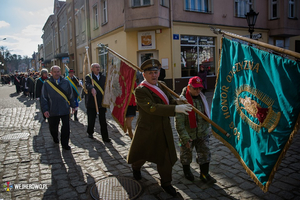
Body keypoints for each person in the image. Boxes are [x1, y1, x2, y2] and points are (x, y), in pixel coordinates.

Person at [127, 59, 192, 197]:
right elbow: (152, 108)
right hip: (147, 129)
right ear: (144, 75)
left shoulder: (162, 85)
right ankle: (136, 167)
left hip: (163, 127)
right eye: (150, 73)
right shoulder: (140, 90)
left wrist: (178, 102)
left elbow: (169, 100)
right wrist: (176, 108)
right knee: (142, 153)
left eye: (155, 72)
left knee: (166, 156)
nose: (154, 75)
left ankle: (166, 183)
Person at [175, 76, 216, 184]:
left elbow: (206, 115)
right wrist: (185, 138)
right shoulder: (181, 101)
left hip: (202, 133)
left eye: (200, 88)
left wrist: (207, 130)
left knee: (205, 153)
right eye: (195, 88)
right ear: (189, 87)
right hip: (188, 134)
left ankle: (204, 174)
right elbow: (179, 123)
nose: (198, 91)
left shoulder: (202, 97)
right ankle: (187, 171)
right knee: (186, 154)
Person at [41, 66, 76, 150]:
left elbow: (70, 95)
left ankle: (65, 144)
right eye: (55, 72)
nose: (56, 73)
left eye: (58, 71)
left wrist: (73, 106)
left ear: (60, 72)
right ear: (51, 73)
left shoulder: (66, 82)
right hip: (52, 109)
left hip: (64, 108)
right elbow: (44, 97)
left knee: (66, 127)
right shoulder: (47, 84)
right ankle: (55, 137)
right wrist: (45, 110)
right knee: (53, 128)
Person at [85, 63, 110, 143]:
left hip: (101, 102)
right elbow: (87, 84)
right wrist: (91, 88)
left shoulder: (103, 77)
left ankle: (105, 137)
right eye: (96, 67)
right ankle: (90, 132)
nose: (98, 68)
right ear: (92, 68)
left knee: (103, 120)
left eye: (99, 67)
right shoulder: (89, 77)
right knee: (91, 119)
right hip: (92, 102)